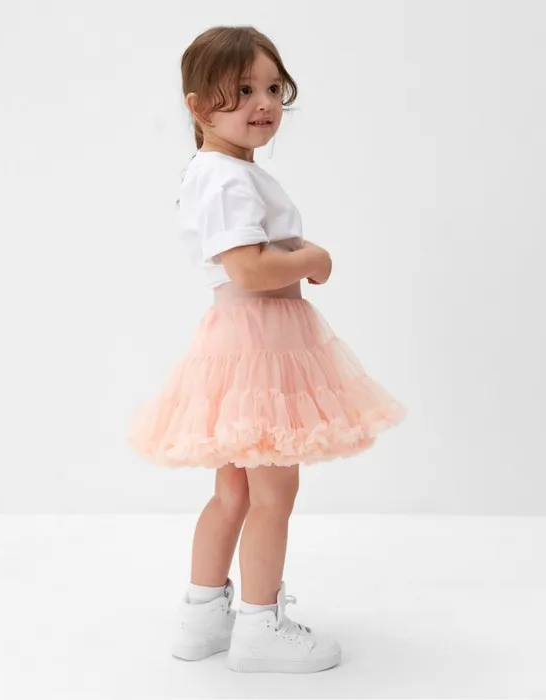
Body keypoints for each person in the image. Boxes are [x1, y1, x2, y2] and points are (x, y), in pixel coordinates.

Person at [128, 25, 407, 674]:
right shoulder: (227, 178)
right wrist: (312, 258)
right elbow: (249, 268)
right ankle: (259, 625)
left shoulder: (221, 172)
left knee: (234, 490)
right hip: (260, 342)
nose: (263, 104)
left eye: (272, 89)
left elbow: (248, 257)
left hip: (243, 339)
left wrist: (290, 252)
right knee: (272, 495)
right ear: (198, 106)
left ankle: (202, 616)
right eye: (242, 91)